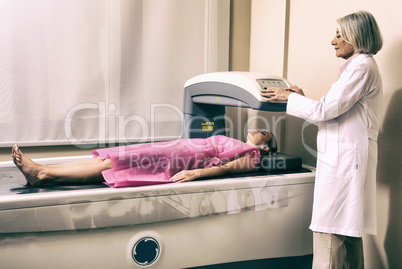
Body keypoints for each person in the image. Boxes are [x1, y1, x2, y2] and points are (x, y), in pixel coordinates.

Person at [261, 11, 383, 269]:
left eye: (339, 35)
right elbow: (331, 114)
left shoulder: (361, 67)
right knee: (346, 232)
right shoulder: (358, 68)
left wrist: (287, 97)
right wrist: (301, 98)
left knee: (330, 233)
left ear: (356, 36)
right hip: (346, 157)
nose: (333, 40)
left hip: (346, 161)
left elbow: (326, 111)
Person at [12, 130, 274, 188]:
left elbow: (225, 171)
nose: (258, 129)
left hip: (182, 160)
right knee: (112, 157)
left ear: (265, 146)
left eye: (264, 133)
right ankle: (44, 169)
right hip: (176, 148)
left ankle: (43, 175)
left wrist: (196, 174)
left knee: (113, 166)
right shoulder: (240, 143)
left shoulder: (251, 156)